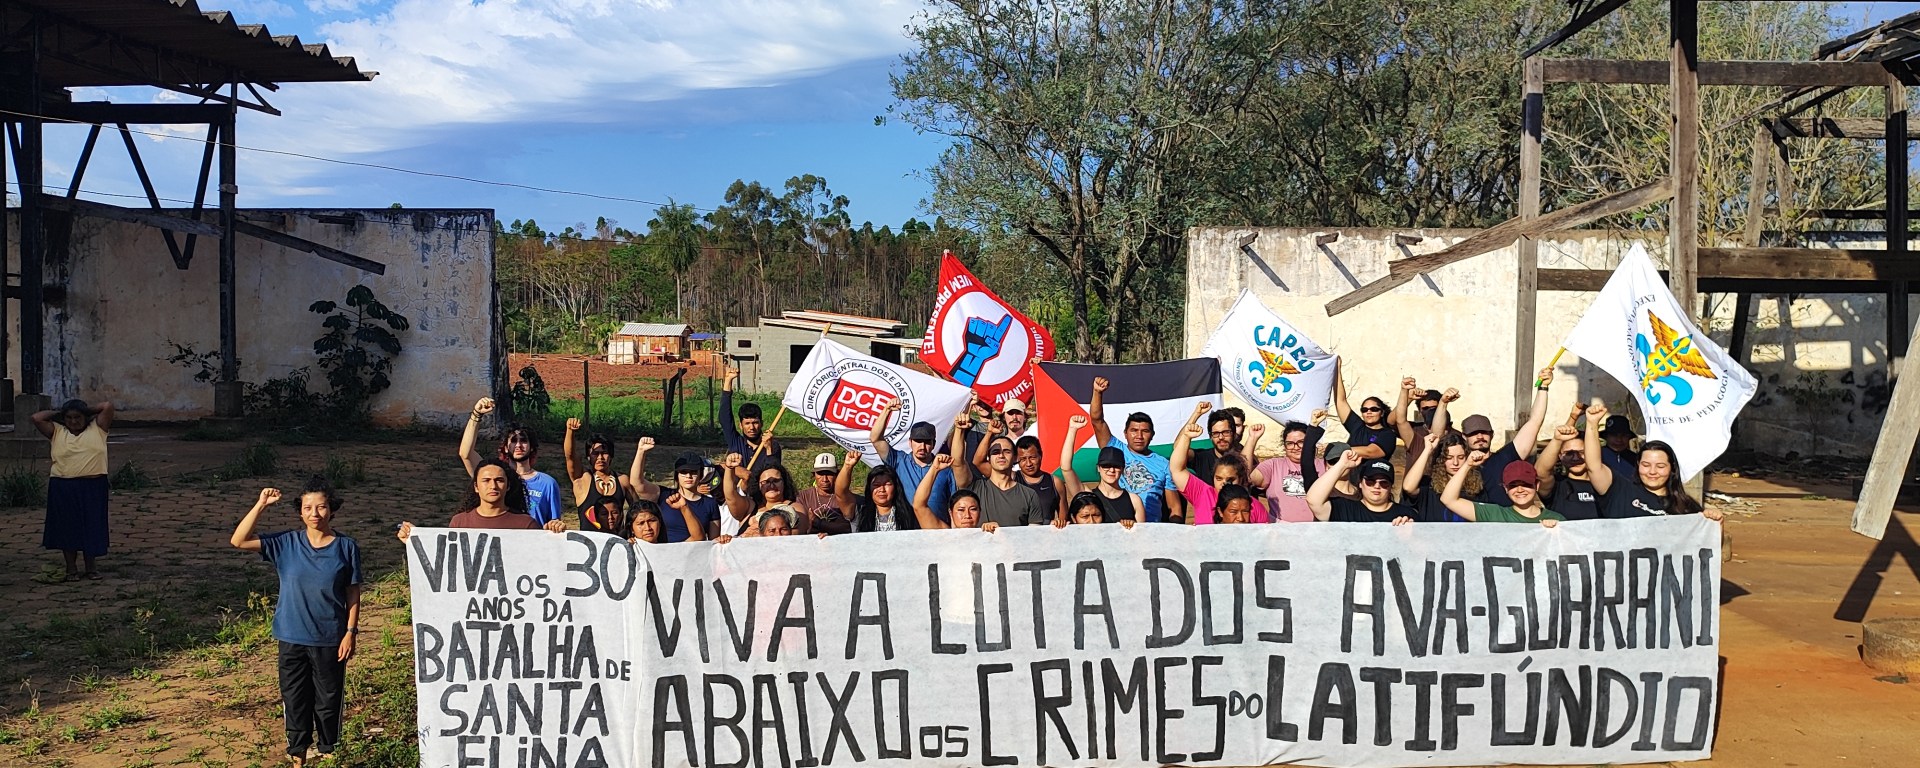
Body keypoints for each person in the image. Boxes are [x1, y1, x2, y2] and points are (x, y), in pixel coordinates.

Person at [229, 478, 361, 766]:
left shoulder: (346, 547)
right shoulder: (285, 543)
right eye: (308, 508)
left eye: (321, 507)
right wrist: (261, 505)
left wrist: (350, 632)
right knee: (295, 699)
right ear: (300, 512)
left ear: (332, 509)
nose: (315, 513)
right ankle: (298, 755)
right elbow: (238, 541)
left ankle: (329, 752)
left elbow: (352, 592)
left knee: (328, 700)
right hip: (291, 637)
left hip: (330, 637)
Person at [1583, 405, 1722, 520]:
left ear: (1672, 468)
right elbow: (1594, 467)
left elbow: (1704, 541)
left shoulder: (1686, 507)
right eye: (1646, 465)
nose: (1652, 472)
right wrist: (1592, 424)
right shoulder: (1620, 492)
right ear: (1638, 465)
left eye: (1660, 466)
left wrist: (1715, 522)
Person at [34, 399, 113, 581]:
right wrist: (61, 412)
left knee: (92, 525)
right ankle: (71, 568)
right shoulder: (57, 431)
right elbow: (36, 418)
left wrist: (84, 409)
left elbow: (107, 406)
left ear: (86, 417)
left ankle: (91, 567)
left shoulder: (98, 428)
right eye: (69, 418)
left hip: (93, 486)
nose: (73, 421)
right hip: (63, 486)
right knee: (67, 527)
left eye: (78, 417)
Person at [457, 397, 564, 526]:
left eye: (523, 440)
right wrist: (476, 415)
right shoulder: (494, 475)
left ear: (532, 447)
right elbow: (465, 453)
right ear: (506, 448)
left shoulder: (547, 483)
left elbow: (554, 523)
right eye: (513, 441)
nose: (518, 445)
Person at [1089, 376, 1183, 522]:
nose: (1139, 436)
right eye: (1134, 430)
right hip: (1115, 526)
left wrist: (1173, 531)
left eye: (1145, 431)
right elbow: (1097, 421)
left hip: (1149, 530)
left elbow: (1174, 508)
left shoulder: (1164, 465)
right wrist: (1097, 392)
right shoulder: (1115, 450)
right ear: (1125, 433)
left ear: (1152, 435)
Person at [1461, 366, 1556, 506]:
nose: (1480, 436)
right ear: (1464, 437)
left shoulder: (1504, 458)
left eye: (1484, 432)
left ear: (1492, 434)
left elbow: (1535, 422)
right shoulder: (1457, 464)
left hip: (1505, 519)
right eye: (1473, 433)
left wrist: (1543, 387)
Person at [398, 459, 568, 537]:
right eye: (486, 480)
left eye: (499, 480)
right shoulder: (459, 523)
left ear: (508, 486)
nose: (493, 486)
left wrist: (555, 535)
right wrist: (415, 540)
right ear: (476, 487)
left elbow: (543, 562)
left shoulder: (526, 524)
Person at [1170, 402, 1269, 524]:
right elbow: (1177, 464)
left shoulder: (1255, 507)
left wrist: (1252, 439)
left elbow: (1244, 464)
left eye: (1225, 432)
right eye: (1219, 478)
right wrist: (1187, 434)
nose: (1221, 437)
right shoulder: (1203, 494)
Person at [951, 413, 1046, 527]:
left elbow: (1034, 534)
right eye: (995, 452)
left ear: (1015, 458)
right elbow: (957, 463)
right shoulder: (975, 488)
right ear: (988, 458)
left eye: (1006, 451)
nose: (1001, 455)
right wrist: (959, 430)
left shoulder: (1029, 495)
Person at [870, 400, 954, 519]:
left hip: (936, 528)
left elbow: (953, 504)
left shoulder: (945, 469)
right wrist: (887, 410)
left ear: (934, 444)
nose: (922, 446)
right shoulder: (898, 461)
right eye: (918, 441)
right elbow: (876, 439)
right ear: (910, 442)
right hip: (906, 527)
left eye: (927, 442)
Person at [563, 419, 644, 535]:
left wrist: (631, 535)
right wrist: (570, 431)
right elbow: (570, 456)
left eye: (604, 453)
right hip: (589, 542)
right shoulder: (582, 478)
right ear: (588, 457)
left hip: (616, 541)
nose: (600, 458)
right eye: (595, 453)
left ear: (611, 455)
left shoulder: (622, 481)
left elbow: (638, 511)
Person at [1059, 416, 1145, 523]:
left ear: (1123, 469)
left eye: (1116, 466)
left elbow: (1142, 532)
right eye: (1106, 466)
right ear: (1098, 468)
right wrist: (1072, 429)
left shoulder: (1134, 500)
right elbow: (1066, 468)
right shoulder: (1088, 495)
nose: (1111, 470)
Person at [1438, 453, 1563, 526]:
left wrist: (1557, 530)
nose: (1520, 489)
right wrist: (1467, 465)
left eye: (1526, 484)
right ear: (1505, 488)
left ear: (1537, 485)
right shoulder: (1495, 514)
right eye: (1513, 485)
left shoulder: (1557, 519)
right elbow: (1448, 499)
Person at [1250, 413, 1328, 523]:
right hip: (1281, 530)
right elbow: (1246, 477)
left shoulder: (1324, 465)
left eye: (1301, 442)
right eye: (1290, 443)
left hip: (1317, 529)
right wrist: (1252, 439)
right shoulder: (1273, 465)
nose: (1296, 447)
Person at [1306, 451, 1417, 524]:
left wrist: (1410, 536)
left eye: (1384, 483)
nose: (1377, 486)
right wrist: (1342, 465)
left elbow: (1422, 548)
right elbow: (1314, 501)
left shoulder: (1407, 515)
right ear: (1360, 483)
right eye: (1370, 481)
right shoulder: (1345, 509)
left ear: (1391, 486)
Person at [1532, 408, 1604, 520]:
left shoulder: (1604, 485)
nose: (1575, 458)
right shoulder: (1557, 487)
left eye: (1581, 452)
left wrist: (1592, 423)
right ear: (1560, 456)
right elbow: (1540, 472)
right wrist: (1557, 440)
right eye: (1569, 453)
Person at [1400, 432, 1483, 523]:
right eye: (1449, 458)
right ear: (1440, 460)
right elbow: (1408, 487)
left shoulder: (1476, 486)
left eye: (1461, 457)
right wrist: (1427, 450)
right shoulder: (1429, 485)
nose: (1455, 463)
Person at [835, 450, 920, 532]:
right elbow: (841, 493)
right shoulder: (859, 511)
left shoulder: (910, 514)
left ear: (896, 487)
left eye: (887, 484)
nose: (882, 489)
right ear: (869, 488)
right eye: (876, 485)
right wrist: (848, 466)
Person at [721, 366, 784, 477]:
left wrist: (769, 449)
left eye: (755, 423)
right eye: (747, 423)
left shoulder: (772, 445)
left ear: (761, 423)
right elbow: (724, 417)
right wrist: (728, 380)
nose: (752, 428)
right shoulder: (736, 442)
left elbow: (774, 472)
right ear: (741, 425)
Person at [989, 435, 1064, 524]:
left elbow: (1063, 521)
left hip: (1045, 532)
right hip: (1018, 532)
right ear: (1016, 459)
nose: (1028, 464)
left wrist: (1057, 524)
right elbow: (978, 463)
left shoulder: (1055, 482)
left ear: (1040, 456)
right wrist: (989, 433)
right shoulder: (1011, 478)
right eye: (1023, 459)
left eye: (1032, 458)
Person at [912, 455, 1000, 532]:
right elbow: (919, 506)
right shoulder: (944, 535)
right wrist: (935, 469)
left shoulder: (987, 534)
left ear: (980, 511)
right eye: (961, 510)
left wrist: (998, 533)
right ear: (951, 512)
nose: (967, 515)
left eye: (973, 509)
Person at [1331, 358, 1396, 461]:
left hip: (1371, 471)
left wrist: (1339, 449)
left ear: (1382, 412)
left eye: (1374, 409)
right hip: (1350, 471)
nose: (1368, 412)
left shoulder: (1387, 434)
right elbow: (1340, 401)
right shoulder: (1357, 426)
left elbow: (1370, 452)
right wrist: (1337, 369)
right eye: (1364, 410)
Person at [726, 461, 804, 537]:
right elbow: (730, 496)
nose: (771, 485)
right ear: (758, 485)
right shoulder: (749, 507)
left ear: (784, 483)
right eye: (766, 482)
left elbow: (799, 532)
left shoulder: (796, 508)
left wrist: (760, 535)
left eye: (776, 481)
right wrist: (729, 468)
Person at [1392, 383, 1458, 461]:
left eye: (1434, 408)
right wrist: (1407, 396)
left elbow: (1437, 434)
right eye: (1425, 408)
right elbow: (1396, 421)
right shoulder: (1415, 434)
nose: (1430, 411)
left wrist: (1443, 403)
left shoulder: (1457, 436)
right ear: (1419, 411)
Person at [796, 452, 851, 534]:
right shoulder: (802, 497)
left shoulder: (844, 498)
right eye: (820, 474)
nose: (825, 479)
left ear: (837, 475)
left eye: (829, 474)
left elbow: (848, 527)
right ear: (814, 475)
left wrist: (818, 523)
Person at [1598, 413, 1641, 480]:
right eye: (1614, 435)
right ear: (1606, 436)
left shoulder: (1635, 459)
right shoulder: (1598, 456)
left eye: (1624, 435)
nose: (1619, 440)